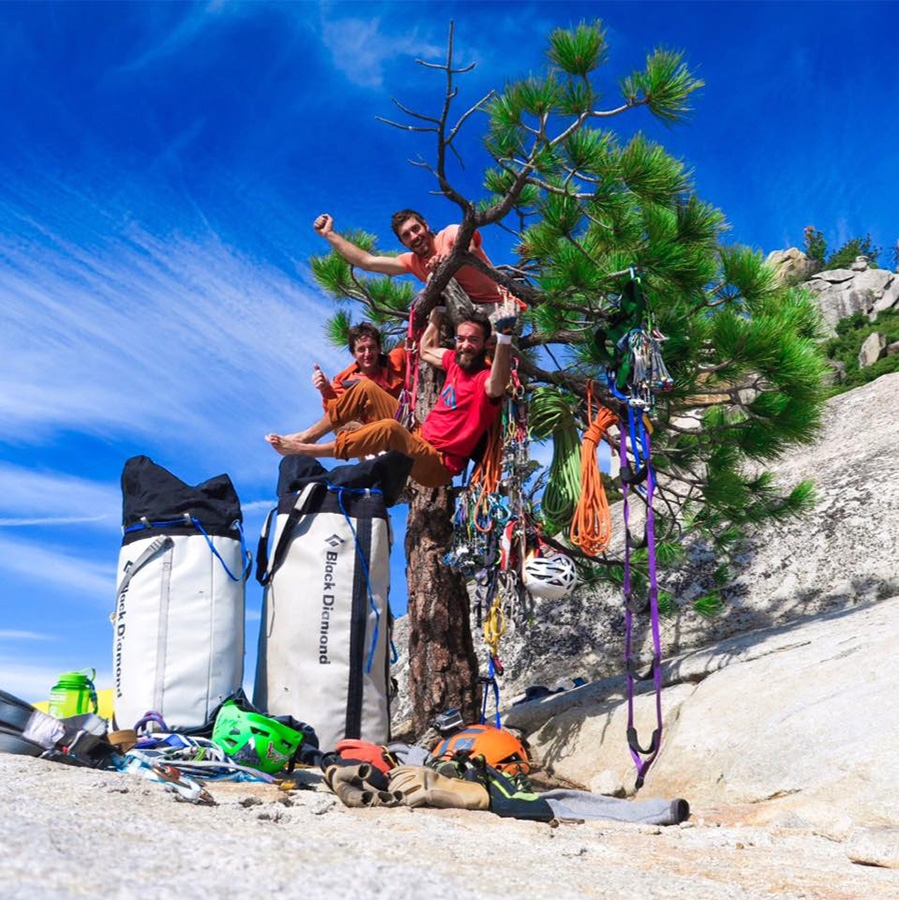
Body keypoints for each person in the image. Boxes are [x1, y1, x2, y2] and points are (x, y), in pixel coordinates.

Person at [266, 308, 514, 488]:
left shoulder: (485, 379)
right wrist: (436, 317)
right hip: (417, 434)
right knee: (364, 389)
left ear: (485, 344)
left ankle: (309, 450)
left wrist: (504, 338)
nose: (465, 345)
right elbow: (427, 349)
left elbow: (498, 383)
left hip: (438, 463)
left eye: (473, 340)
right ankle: (308, 435)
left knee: (391, 429)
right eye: (460, 339)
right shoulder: (454, 363)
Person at [313, 210, 519, 312]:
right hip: (468, 316)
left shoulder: (449, 233)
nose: (414, 236)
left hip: (500, 307)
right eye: (406, 235)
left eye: (415, 229)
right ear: (402, 242)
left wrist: (444, 262)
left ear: (426, 225)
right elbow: (368, 261)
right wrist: (329, 234)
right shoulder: (412, 261)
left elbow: (470, 248)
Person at [313, 322, 405, 412]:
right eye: (361, 349)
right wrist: (325, 389)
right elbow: (335, 413)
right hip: (377, 425)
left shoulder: (395, 361)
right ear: (353, 354)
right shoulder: (345, 383)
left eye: (371, 347)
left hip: (405, 417)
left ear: (379, 348)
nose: (367, 354)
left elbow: (412, 342)